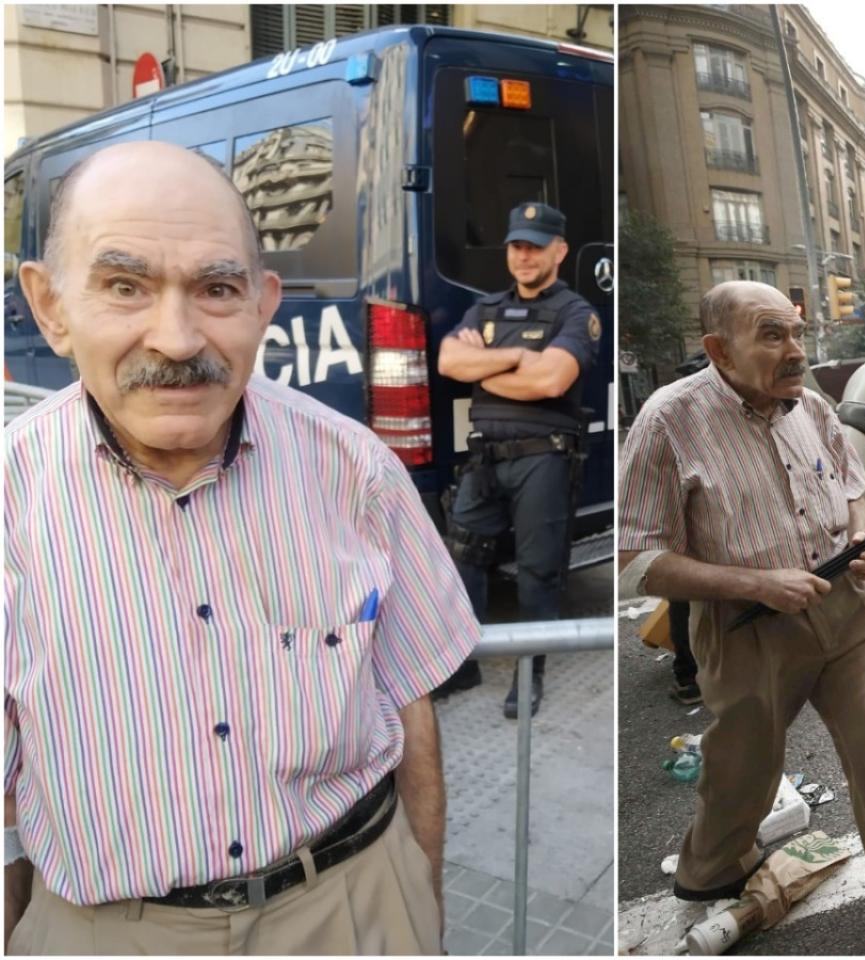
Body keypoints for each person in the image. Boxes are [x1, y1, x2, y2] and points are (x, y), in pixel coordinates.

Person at [4, 141, 473, 954]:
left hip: (358, 908)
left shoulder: (353, 467)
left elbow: (410, 711)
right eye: (124, 286)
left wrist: (418, 910)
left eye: (216, 289)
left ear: (263, 302)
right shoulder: (9, 501)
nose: (179, 338)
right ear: (49, 307)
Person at [617, 281, 865, 952]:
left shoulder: (814, 406)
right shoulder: (668, 419)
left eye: (797, 332)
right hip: (745, 627)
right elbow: (636, 558)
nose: (795, 350)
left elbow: (853, 494)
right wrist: (755, 583)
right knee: (744, 761)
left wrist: (859, 540)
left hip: (851, 609)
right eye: (772, 336)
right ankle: (711, 868)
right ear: (719, 350)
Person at [437, 202, 601, 719]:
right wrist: (513, 361)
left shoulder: (576, 313)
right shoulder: (484, 309)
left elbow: (552, 380)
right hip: (485, 456)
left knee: (537, 573)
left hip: (544, 461)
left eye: (534, 246)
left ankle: (530, 676)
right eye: (516, 246)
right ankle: (463, 662)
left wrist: (481, 370)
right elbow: (448, 363)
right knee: (463, 556)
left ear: (560, 250)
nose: (524, 256)